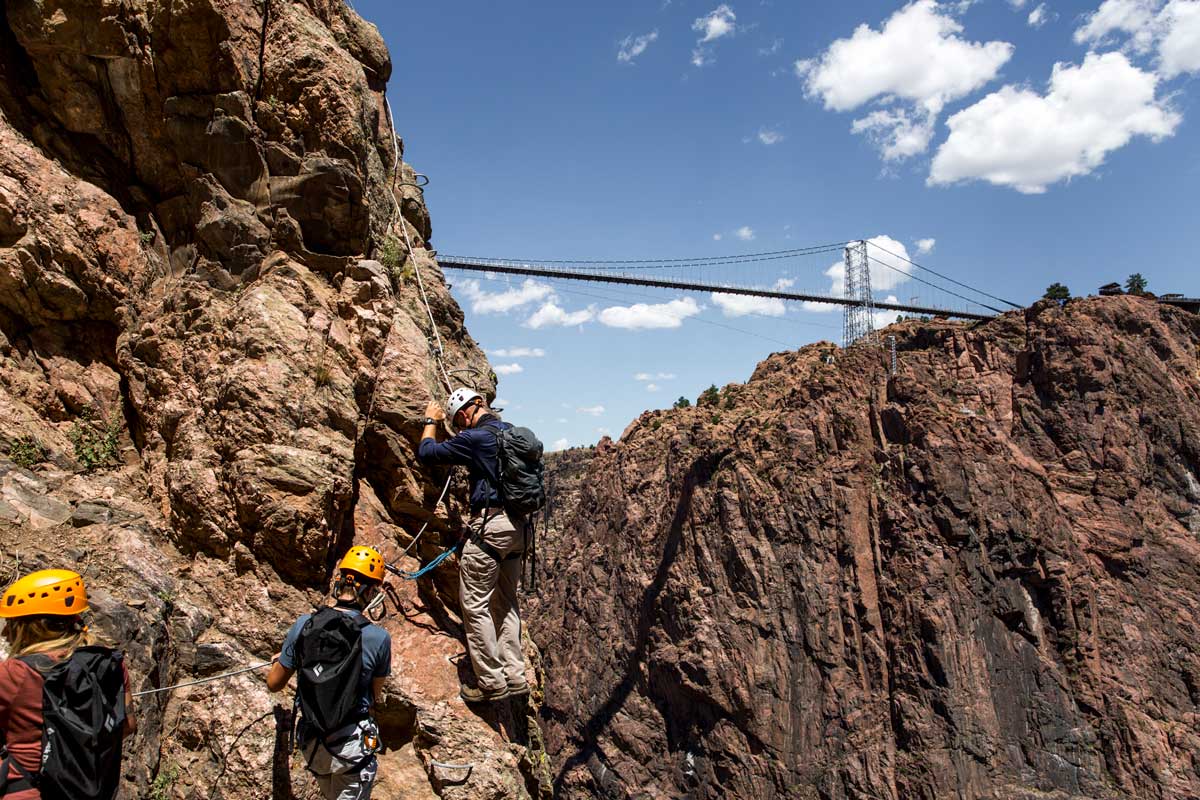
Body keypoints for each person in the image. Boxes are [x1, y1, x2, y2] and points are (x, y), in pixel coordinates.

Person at [418, 388, 529, 704]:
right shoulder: (511, 432)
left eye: (459, 420)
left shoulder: (475, 437)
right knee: (506, 603)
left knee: (476, 604)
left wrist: (431, 420)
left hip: (491, 527)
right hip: (519, 529)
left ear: (470, 410)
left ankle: (491, 683)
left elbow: (427, 453)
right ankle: (515, 676)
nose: (460, 426)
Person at [267, 546, 392, 800]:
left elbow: (274, 683)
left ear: (340, 582)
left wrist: (289, 658)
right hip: (351, 747)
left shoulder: (304, 625)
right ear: (368, 592)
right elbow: (375, 695)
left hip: (314, 745)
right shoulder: (379, 638)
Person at [0, 569, 136, 800]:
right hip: (90, 791)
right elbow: (127, 725)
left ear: (33, 625)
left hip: (27, 791)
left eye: (12, 623)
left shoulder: (15, 673)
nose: (5, 631)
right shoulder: (108, 664)